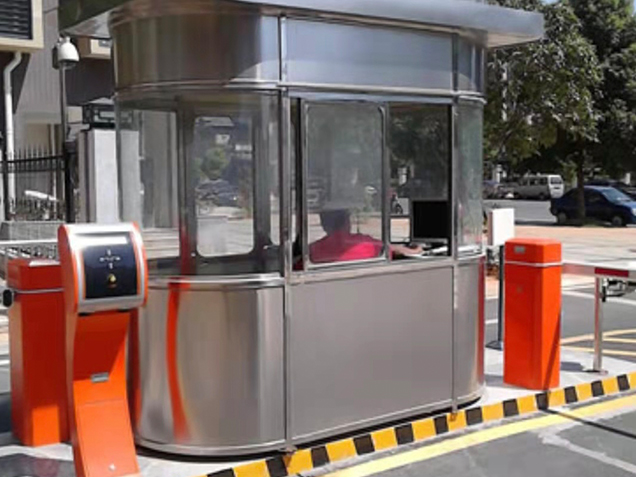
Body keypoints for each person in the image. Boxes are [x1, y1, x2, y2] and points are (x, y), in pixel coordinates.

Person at [309, 206, 422, 264]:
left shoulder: (313, 251)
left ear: (324, 225)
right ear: (347, 222)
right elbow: (397, 251)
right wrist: (418, 249)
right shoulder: (364, 243)